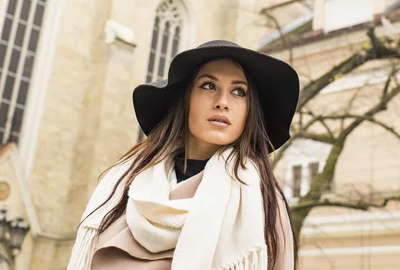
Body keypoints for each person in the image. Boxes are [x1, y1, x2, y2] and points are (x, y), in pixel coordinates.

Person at [67, 40, 299, 270]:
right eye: (208, 86)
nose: (222, 102)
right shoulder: (123, 187)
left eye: (239, 92)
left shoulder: (264, 202)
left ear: (250, 111)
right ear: (185, 99)